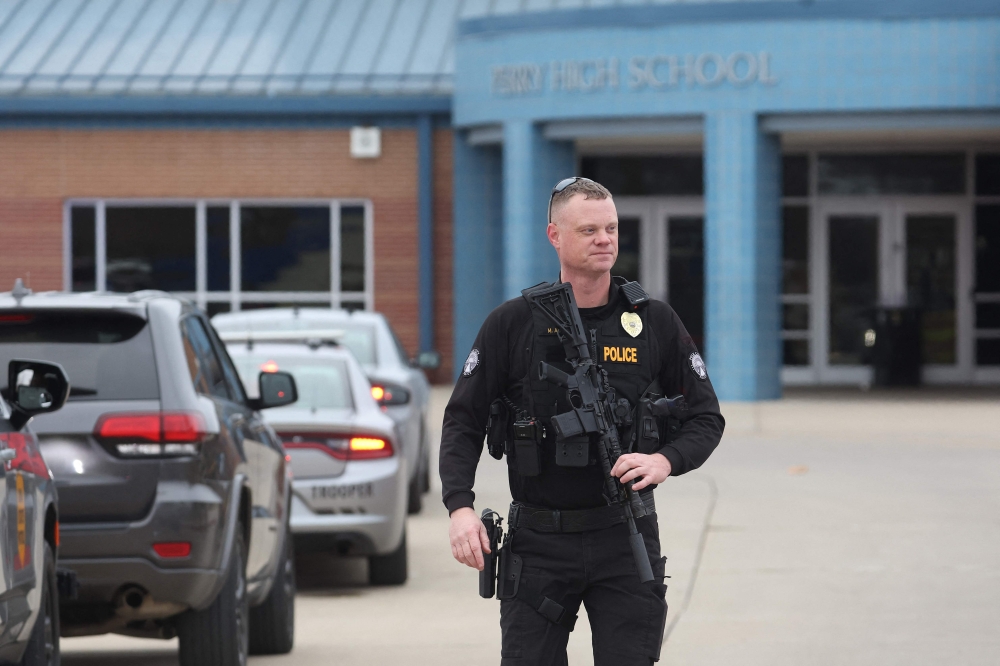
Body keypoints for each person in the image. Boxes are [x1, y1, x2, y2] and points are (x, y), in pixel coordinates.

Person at [440, 177, 725, 665]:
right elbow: (462, 420)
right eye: (589, 229)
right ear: (555, 236)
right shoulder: (512, 324)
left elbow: (706, 417)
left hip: (626, 535)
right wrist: (459, 507)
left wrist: (665, 460)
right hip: (540, 541)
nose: (604, 240)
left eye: (611, 228)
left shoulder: (652, 320)